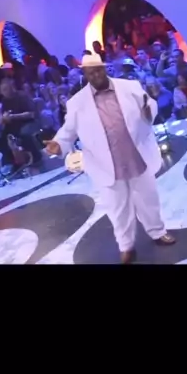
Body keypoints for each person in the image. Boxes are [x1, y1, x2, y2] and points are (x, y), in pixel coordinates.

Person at [44, 54, 175, 264]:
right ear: (85, 74)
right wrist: (58, 144)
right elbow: (68, 130)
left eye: (98, 70)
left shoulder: (129, 87)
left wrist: (148, 109)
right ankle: (126, 247)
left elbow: (149, 103)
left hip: (136, 155)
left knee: (148, 199)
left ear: (104, 68)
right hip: (105, 164)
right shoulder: (77, 103)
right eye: (90, 72)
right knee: (118, 208)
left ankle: (158, 232)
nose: (96, 75)